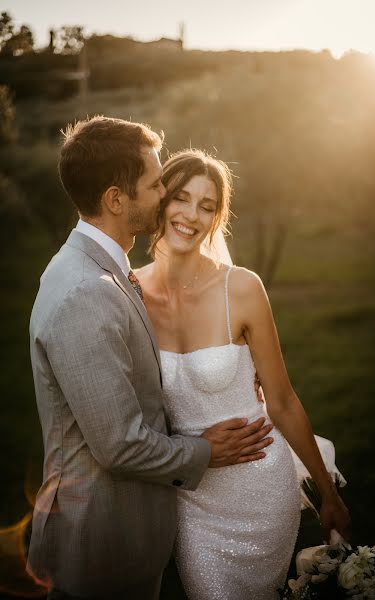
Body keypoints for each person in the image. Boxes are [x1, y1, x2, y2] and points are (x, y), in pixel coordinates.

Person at [28, 117, 274, 600]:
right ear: (116, 200)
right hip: (101, 546)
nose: (165, 192)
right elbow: (119, 445)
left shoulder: (106, 273)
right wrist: (207, 451)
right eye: (156, 183)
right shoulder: (86, 293)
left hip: (120, 538)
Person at [135, 149, 351, 600]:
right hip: (192, 497)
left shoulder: (243, 288)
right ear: (159, 200)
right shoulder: (128, 291)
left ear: (217, 219)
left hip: (260, 486)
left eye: (207, 206)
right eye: (181, 198)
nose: (192, 215)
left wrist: (328, 493)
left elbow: (283, 401)